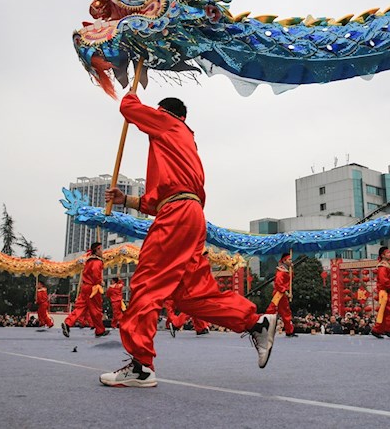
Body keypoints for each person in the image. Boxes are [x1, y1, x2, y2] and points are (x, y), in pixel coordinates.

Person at [102, 93, 277, 387]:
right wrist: (127, 200)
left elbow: (128, 108)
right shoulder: (184, 141)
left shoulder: (167, 123)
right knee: (191, 295)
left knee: (148, 282)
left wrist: (130, 94)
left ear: (166, 113)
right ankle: (254, 323)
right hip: (190, 213)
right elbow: (158, 198)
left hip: (176, 215)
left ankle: (141, 366)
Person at [62, 242, 108, 338]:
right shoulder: (97, 262)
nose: (102, 251)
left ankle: (68, 322)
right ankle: (99, 330)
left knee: (80, 307)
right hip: (93, 288)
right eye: (101, 249)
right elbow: (96, 275)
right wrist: (100, 282)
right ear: (97, 249)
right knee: (96, 310)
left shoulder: (88, 261)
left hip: (85, 286)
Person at [265, 253, 296, 338]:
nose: (291, 261)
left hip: (282, 293)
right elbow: (278, 284)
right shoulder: (281, 271)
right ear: (284, 260)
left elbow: (290, 280)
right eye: (289, 259)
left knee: (285, 312)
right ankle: (263, 327)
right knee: (272, 311)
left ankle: (289, 331)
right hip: (279, 294)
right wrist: (285, 292)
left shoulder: (286, 270)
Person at [371, 246, 390, 339]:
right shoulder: (383, 266)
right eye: (388, 253)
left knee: (385, 312)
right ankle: (388, 329)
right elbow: (384, 280)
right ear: (383, 255)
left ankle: (377, 330)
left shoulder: (387, 264)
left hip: (387, 291)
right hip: (385, 292)